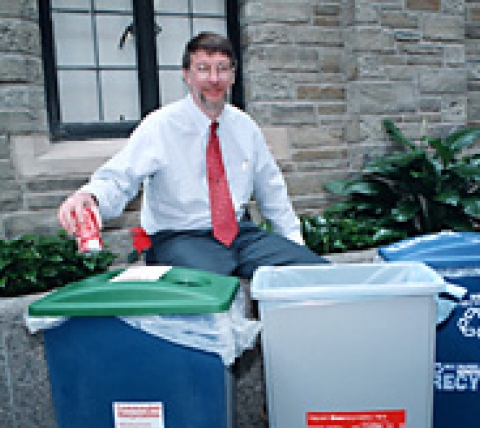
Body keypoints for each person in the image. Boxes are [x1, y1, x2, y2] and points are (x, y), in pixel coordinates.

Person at [58, 32, 327, 279]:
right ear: (187, 76)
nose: (213, 79)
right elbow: (120, 178)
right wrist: (90, 197)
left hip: (240, 235)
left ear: (233, 76)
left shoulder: (246, 128)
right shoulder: (160, 126)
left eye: (222, 69)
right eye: (203, 69)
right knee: (214, 290)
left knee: (314, 273)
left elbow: (272, 191)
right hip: (179, 237)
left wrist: (294, 244)